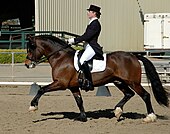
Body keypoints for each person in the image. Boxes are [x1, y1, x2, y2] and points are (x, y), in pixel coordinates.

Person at [68, 4, 104, 91]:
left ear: (94, 13)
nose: (88, 13)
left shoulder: (95, 24)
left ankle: (89, 82)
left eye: (89, 12)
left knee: (82, 60)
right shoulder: (92, 23)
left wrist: (74, 40)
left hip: (92, 47)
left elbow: (87, 36)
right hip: (88, 46)